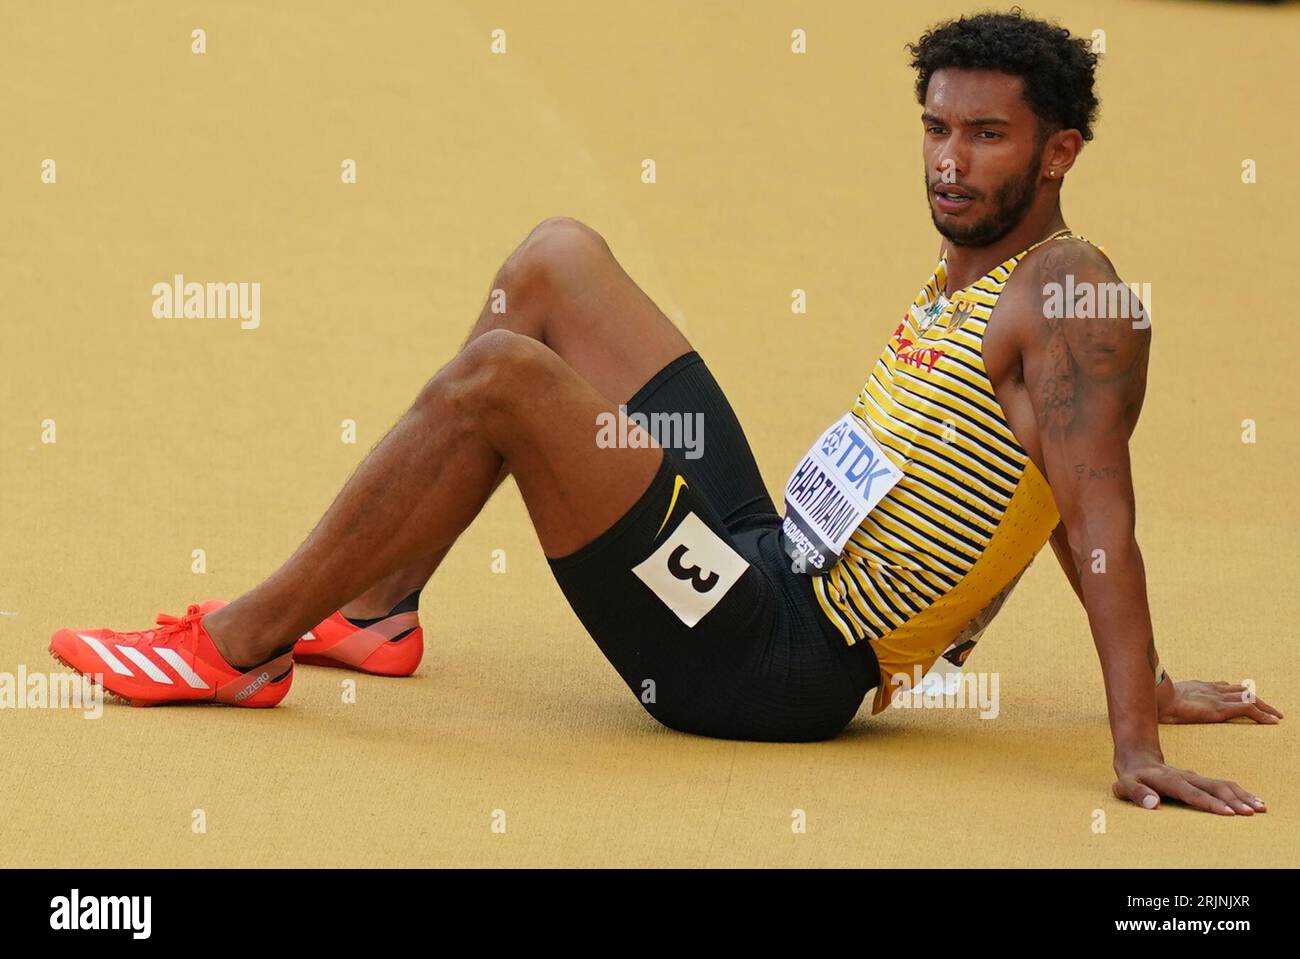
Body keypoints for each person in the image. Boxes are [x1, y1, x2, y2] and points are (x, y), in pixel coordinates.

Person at [50, 10, 1279, 815]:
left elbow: (1095, 496)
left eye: (986, 136)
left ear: (1058, 153)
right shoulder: (982, 268)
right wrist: (1153, 671)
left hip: (773, 658)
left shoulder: (1070, 293)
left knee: (503, 378)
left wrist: (1136, 728)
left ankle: (237, 642)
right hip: (765, 549)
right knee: (555, 262)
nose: (949, 162)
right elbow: (1041, 484)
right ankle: (376, 609)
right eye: (935, 128)